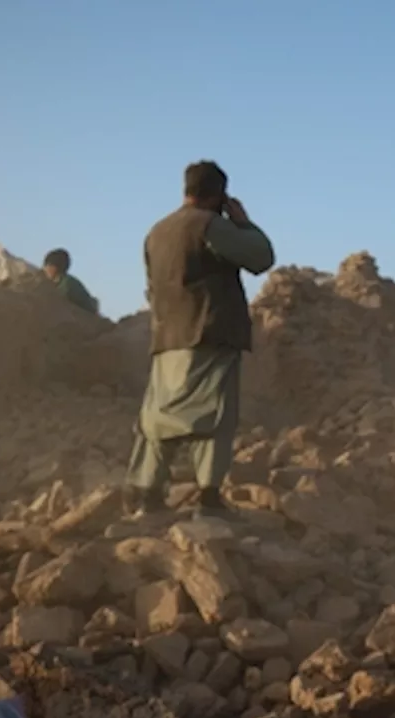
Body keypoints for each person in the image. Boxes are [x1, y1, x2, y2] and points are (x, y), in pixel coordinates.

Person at [123, 160, 274, 518]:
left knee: (159, 416)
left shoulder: (156, 231)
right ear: (220, 195)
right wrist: (242, 221)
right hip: (208, 333)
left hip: (167, 337)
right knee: (214, 414)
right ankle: (209, 498)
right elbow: (261, 257)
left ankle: (146, 493)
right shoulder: (210, 226)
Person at [42, 248, 99, 315]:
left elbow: (56, 302)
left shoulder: (67, 283)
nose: (45, 269)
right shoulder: (58, 282)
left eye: (48, 266)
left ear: (56, 268)